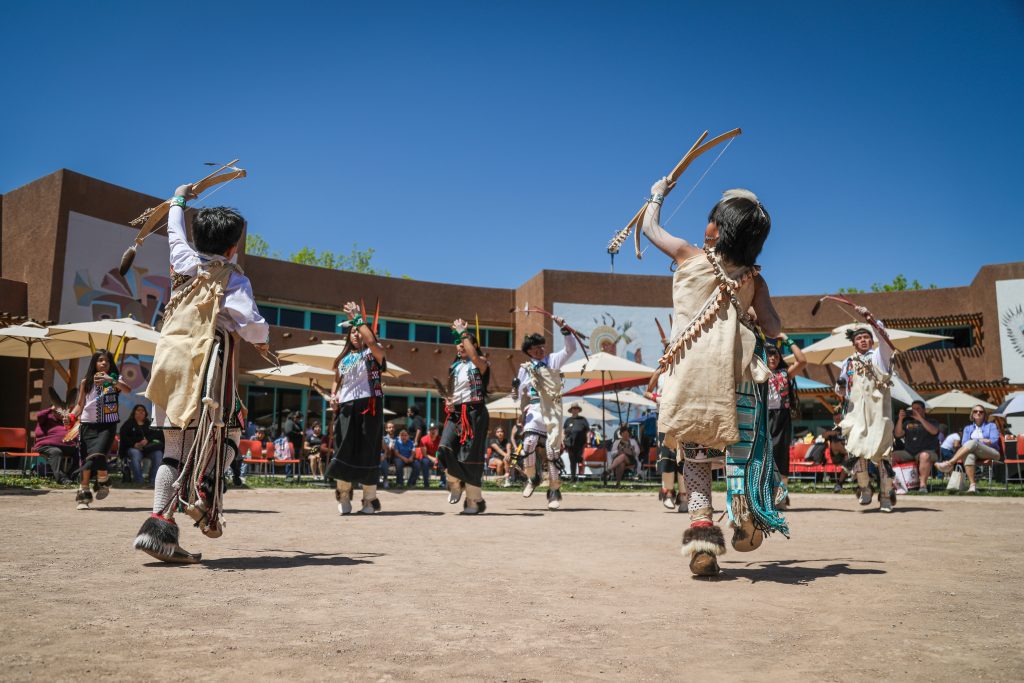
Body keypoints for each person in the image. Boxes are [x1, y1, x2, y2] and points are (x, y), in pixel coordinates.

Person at [640, 180, 788, 577]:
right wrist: (753, 311)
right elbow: (774, 328)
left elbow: (649, 229)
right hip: (736, 380)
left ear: (719, 230)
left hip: (690, 381)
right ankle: (744, 519)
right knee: (740, 456)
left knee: (697, 463)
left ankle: (703, 545)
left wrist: (657, 194)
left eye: (712, 220)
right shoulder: (754, 279)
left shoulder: (688, 256)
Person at [134, 184, 269, 563]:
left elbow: (173, 228)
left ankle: (157, 528)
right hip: (209, 367)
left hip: (170, 363)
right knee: (233, 427)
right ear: (231, 248)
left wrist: (178, 198)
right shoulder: (233, 278)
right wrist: (262, 340)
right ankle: (207, 486)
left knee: (174, 448)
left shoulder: (182, 260)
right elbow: (251, 325)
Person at [326, 302, 387, 514]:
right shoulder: (343, 359)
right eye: (352, 332)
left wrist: (359, 320)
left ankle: (369, 500)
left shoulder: (374, 353)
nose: (356, 335)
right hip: (346, 406)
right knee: (343, 449)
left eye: (359, 332)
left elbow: (372, 342)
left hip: (369, 404)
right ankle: (343, 495)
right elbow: (337, 381)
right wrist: (333, 396)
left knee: (368, 450)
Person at [511, 314, 577, 510]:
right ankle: (533, 477)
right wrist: (515, 389)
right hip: (534, 409)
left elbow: (571, 348)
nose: (540, 350)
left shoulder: (553, 360)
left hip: (553, 409)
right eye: (536, 347)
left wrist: (564, 328)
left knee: (552, 451)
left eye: (542, 346)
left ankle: (554, 491)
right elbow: (516, 397)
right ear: (528, 351)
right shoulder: (525, 369)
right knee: (529, 444)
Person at [835, 318, 897, 511]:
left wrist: (873, 321)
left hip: (879, 413)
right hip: (856, 414)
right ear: (853, 343)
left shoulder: (880, 355)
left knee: (883, 454)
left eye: (866, 337)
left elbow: (884, 338)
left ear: (872, 341)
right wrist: (840, 385)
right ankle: (864, 488)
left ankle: (886, 496)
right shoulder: (848, 362)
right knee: (855, 450)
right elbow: (840, 390)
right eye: (859, 338)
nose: (862, 340)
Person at [67, 349, 132, 510]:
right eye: (100, 360)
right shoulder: (85, 382)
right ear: (94, 363)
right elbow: (80, 404)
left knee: (97, 455)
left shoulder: (115, 380)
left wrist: (111, 379)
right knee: (88, 460)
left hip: (107, 426)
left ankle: (102, 479)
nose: (104, 363)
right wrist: (71, 416)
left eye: (107, 361)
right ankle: (85, 495)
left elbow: (127, 390)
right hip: (87, 425)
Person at [438, 318, 491, 514]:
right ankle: (454, 482)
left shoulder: (481, 363)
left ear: (473, 346)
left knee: (470, 457)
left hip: (475, 413)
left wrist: (462, 331)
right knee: (444, 447)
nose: (460, 346)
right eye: (458, 343)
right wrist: (449, 401)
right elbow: (451, 392)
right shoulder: (454, 368)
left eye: (464, 342)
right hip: (456, 414)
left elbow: (476, 359)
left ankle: (473, 501)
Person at [765, 335, 806, 509]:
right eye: (769, 355)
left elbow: (802, 361)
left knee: (781, 454)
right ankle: (765, 494)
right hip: (763, 416)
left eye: (776, 355)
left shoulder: (785, 373)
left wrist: (787, 340)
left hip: (781, 416)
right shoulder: (758, 373)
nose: (773, 358)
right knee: (765, 455)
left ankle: (781, 494)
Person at [936, 405, 1003, 493]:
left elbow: (993, 441)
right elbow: (964, 443)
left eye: (981, 412)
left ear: (984, 415)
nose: (978, 413)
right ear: (972, 414)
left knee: (972, 443)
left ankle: (950, 463)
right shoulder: (968, 428)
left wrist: (977, 442)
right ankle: (972, 486)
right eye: (975, 411)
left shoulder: (991, 426)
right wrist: (981, 441)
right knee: (969, 455)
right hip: (975, 453)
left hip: (992, 452)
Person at [893, 400, 940, 494]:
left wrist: (920, 419)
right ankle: (896, 484)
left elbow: (934, 431)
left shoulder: (931, 421)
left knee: (924, 456)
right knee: (890, 456)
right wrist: (900, 419)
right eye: (913, 409)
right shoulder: (907, 422)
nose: (915, 411)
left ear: (924, 410)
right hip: (909, 452)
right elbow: (898, 435)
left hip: (928, 451)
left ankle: (923, 485)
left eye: (918, 409)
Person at [119, 404, 164, 486]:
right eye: (138, 410)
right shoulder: (128, 423)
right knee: (135, 454)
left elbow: (158, 434)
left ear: (145, 413)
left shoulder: (149, 423)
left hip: (147, 449)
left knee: (158, 454)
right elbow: (124, 437)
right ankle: (139, 480)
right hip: (134, 448)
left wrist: (147, 440)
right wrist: (134, 444)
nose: (141, 412)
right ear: (134, 412)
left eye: (143, 410)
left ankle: (153, 480)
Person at [33, 405, 77, 484]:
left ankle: (72, 476)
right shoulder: (47, 418)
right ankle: (62, 479)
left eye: (65, 411)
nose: (63, 413)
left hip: (67, 447)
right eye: (60, 411)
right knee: (56, 452)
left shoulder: (66, 421)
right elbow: (39, 415)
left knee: (80, 452)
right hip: (47, 446)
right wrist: (51, 409)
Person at [562, 404, 590, 482]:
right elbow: (564, 432)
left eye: (576, 408)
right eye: (573, 408)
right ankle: (573, 477)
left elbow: (588, 431)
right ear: (571, 410)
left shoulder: (583, 419)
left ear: (578, 410)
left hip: (581, 443)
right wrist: (562, 440)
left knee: (579, 459)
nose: (575, 410)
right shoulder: (568, 420)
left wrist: (588, 441)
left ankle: (581, 477)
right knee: (572, 460)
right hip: (570, 443)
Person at [419, 423, 443, 489]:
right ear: (428, 431)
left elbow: (441, 452)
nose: (433, 431)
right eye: (431, 429)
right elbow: (424, 454)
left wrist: (437, 459)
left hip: (435, 458)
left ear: (437, 431)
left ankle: (442, 484)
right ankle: (426, 484)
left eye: (434, 429)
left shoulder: (440, 439)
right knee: (425, 462)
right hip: (426, 458)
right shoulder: (423, 439)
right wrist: (433, 459)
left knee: (443, 462)